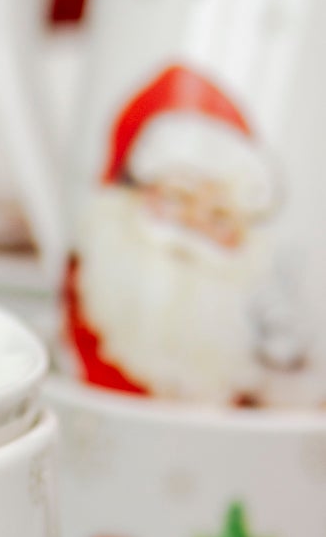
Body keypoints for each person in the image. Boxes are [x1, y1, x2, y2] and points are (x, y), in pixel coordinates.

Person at [64, 63, 306, 404]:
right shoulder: (97, 288)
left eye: (220, 215)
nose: (195, 223)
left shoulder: (263, 333)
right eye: (178, 196)